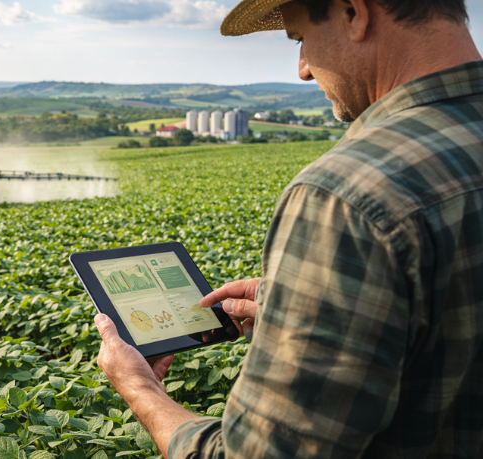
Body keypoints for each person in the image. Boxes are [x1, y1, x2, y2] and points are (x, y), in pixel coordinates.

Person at [93, 0, 483, 457]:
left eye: (300, 39)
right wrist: (321, 305)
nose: (302, 69)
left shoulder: (345, 194)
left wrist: (141, 388)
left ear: (354, 12)